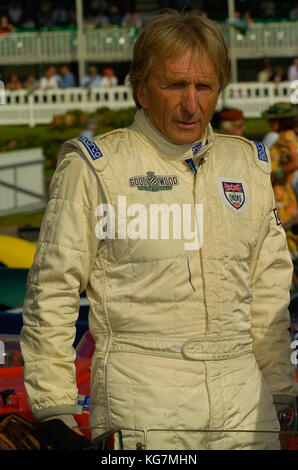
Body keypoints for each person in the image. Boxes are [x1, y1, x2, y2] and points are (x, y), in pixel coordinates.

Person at [20, 10, 297, 451]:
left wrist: (281, 389)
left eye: (204, 87)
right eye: (175, 85)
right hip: (144, 406)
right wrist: (53, 403)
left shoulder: (247, 164)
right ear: (142, 88)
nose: (192, 104)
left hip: (247, 406)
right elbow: (51, 290)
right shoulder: (96, 167)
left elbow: (269, 294)